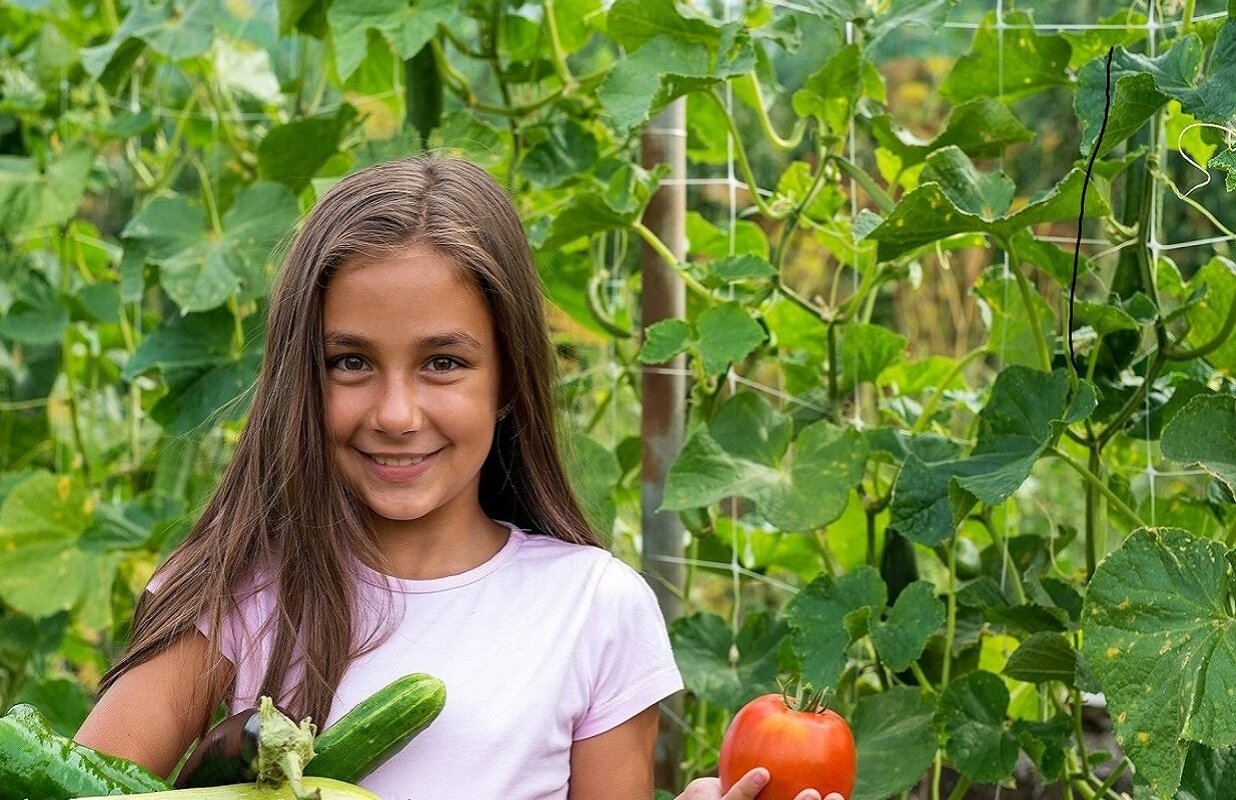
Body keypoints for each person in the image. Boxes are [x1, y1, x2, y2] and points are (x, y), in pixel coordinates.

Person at [74, 155, 838, 800]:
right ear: (300, 380)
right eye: (351, 362)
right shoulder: (230, 596)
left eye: (443, 362)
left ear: (508, 379)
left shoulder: (593, 610)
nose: (397, 412)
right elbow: (79, 783)